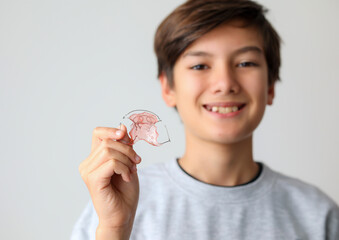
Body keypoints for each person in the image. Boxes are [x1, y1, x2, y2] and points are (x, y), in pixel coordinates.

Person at [71, 0, 339, 239]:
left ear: (270, 86)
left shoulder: (318, 215)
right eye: (200, 66)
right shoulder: (113, 206)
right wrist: (116, 229)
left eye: (246, 63)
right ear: (168, 88)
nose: (225, 84)